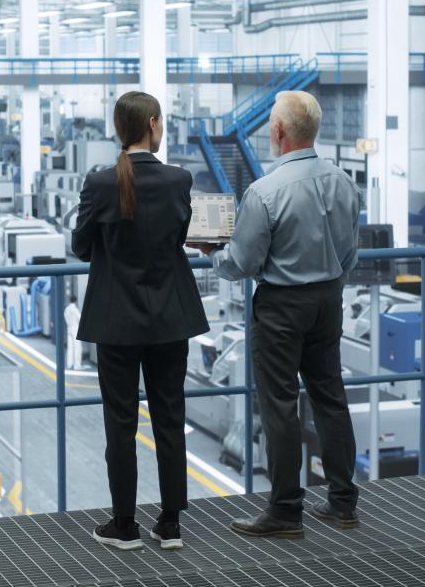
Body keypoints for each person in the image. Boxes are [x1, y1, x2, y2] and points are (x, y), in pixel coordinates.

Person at [194, 90, 361, 535]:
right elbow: (350, 253)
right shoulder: (344, 181)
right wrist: (329, 286)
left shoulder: (264, 191)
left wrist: (213, 252)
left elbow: (241, 264)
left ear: (279, 130)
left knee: (280, 406)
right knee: (330, 397)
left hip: (282, 308)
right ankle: (343, 502)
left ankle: (286, 510)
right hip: (328, 301)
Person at [71, 90, 209, 551]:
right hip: (170, 318)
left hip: (117, 323)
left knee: (121, 423)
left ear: (120, 128)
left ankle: (124, 525)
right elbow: (185, 235)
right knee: (170, 417)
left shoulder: (101, 182)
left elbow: (80, 245)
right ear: (153, 124)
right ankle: (170, 524)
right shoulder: (179, 179)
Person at [64, 295, 83, 370]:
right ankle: (77, 365)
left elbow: (66, 318)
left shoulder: (67, 309)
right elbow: (80, 318)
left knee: (70, 347)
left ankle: (69, 364)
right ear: (75, 301)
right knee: (77, 347)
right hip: (75, 328)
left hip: (69, 328)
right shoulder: (74, 309)